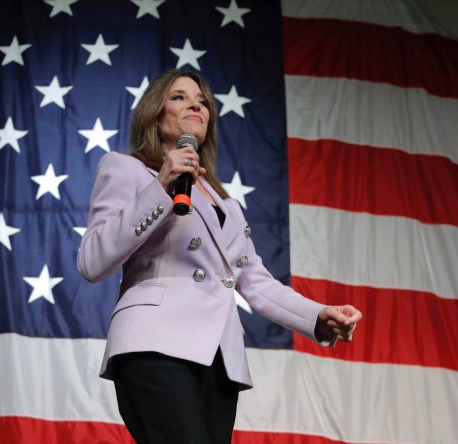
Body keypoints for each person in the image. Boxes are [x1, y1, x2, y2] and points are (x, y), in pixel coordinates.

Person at [77, 69, 362, 444]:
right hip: (155, 342)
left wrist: (318, 316)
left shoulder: (225, 201)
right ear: (154, 113)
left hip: (219, 357)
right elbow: (92, 262)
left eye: (202, 101)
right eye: (179, 97)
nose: (195, 103)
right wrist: (161, 186)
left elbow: (256, 284)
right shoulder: (126, 168)